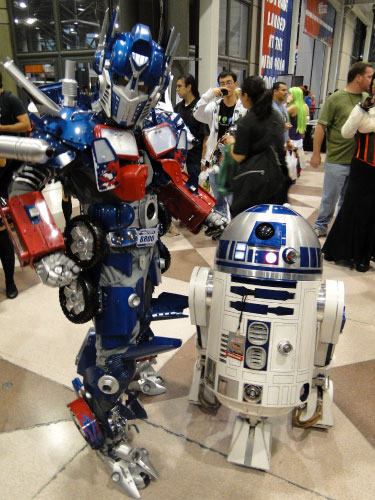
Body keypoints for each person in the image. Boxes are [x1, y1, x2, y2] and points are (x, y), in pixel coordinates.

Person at [311, 61, 373, 237]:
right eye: (369, 76)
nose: (372, 79)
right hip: (337, 159)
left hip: (358, 160)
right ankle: (321, 225)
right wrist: (316, 154)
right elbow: (321, 127)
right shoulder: (335, 99)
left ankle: (341, 230)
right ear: (358, 77)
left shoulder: (366, 99)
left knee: (347, 200)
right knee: (330, 197)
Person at [322, 73, 375, 272]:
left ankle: (366, 255)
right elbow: (347, 132)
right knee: (355, 209)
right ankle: (347, 252)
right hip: (363, 167)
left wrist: (366, 125)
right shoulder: (363, 107)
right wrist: (364, 112)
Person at [222, 76, 289, 217]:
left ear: (246, 96)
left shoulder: (247, 121)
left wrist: (231, 143)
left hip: (253, 182)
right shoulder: (276, 115)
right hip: (277, 177)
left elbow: (239, 156)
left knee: (247, 221)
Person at [193, 70, 247, 217]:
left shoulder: (243, 108)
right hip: (216, 160)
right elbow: (196, 113)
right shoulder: (214, 107)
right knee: (217, 198)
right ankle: (220, 225)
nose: (226, 86)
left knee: (233, 199)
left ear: (235, 84)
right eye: (222, 83)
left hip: (234, 159)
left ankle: (236, 226)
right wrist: (209, 94)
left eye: (229, 83)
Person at [0, 71, 31, 299]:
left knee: (3, 232)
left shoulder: (10, 99)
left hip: (7, 174)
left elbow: (26, 124)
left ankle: (10, 282)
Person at [175, 74, 209, 189]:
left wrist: (203, 160)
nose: (177, 89)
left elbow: (206, 137)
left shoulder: (200, 108)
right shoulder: (178, 108)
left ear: (189, 87)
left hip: (195, 161)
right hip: (179, 159)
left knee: (194, 191)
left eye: (180, 86)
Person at [287, 86, 310, 176]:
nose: (288, 95)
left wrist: (287, 102)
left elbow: (279, 113)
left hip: (290, 135)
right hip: (298, 135)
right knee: (296, 156)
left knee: (290, 157)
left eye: (290, 93)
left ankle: (291, 173)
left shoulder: (293, 107)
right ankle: (296, 172)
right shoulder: (305, 106)